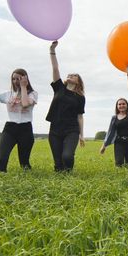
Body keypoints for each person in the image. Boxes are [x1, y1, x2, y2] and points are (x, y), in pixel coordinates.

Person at [46, 41, 85, 172]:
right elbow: (55, 68)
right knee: (58, 163)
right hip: (55, 129)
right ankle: (61, 176)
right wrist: (52, 50)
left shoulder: (80, 97)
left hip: (71, 130)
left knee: (67, 156)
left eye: (74, 75)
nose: (70, 76)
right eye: (69, 74)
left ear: (78, 81)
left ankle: (69, 172)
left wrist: (82, 135)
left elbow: (80, 116)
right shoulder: (59, 88)